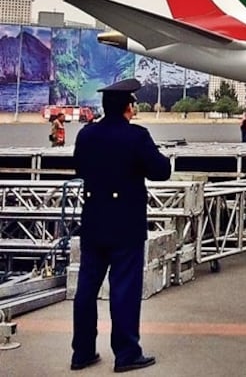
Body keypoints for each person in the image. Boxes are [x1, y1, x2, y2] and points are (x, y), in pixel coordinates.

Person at [71, 78, 171, 373]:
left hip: (93, 221)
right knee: (124, 289)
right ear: (129, 107)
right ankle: (126, 353)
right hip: (125, 223)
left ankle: (82, 352)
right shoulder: (136, 136)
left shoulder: (87, 134)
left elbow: (80, 167)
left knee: (86, 288)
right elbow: (160, 171)